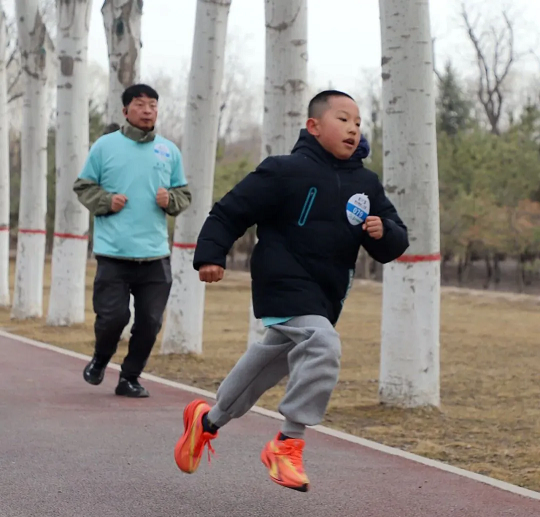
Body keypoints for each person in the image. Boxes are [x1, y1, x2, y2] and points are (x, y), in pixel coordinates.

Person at [174, 90, 409, 491]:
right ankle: (288, 443)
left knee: (264, 366)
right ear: (313, 126)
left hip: (326, 293)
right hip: (282, 281)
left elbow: (393, 243)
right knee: (323, 344)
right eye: (342, 119)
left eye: (357, 122)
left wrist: (383, 230)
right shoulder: (284, 171)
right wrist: (210, 254)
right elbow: (230, 211)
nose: (353, 128)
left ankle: (207, 422)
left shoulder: (366, 183)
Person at [73, 84, 192, 398]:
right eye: (140, 104)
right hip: (114, 252)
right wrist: (106, 201)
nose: (148, 110)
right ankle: (100, 359)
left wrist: (171, 200)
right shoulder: (105, 146)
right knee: (114, 318)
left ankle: (130, 377)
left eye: (153, 104)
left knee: (150, 322)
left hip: (155, 254)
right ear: (126, 111)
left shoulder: (169, 150)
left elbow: (183, 193)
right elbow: (83, 186)